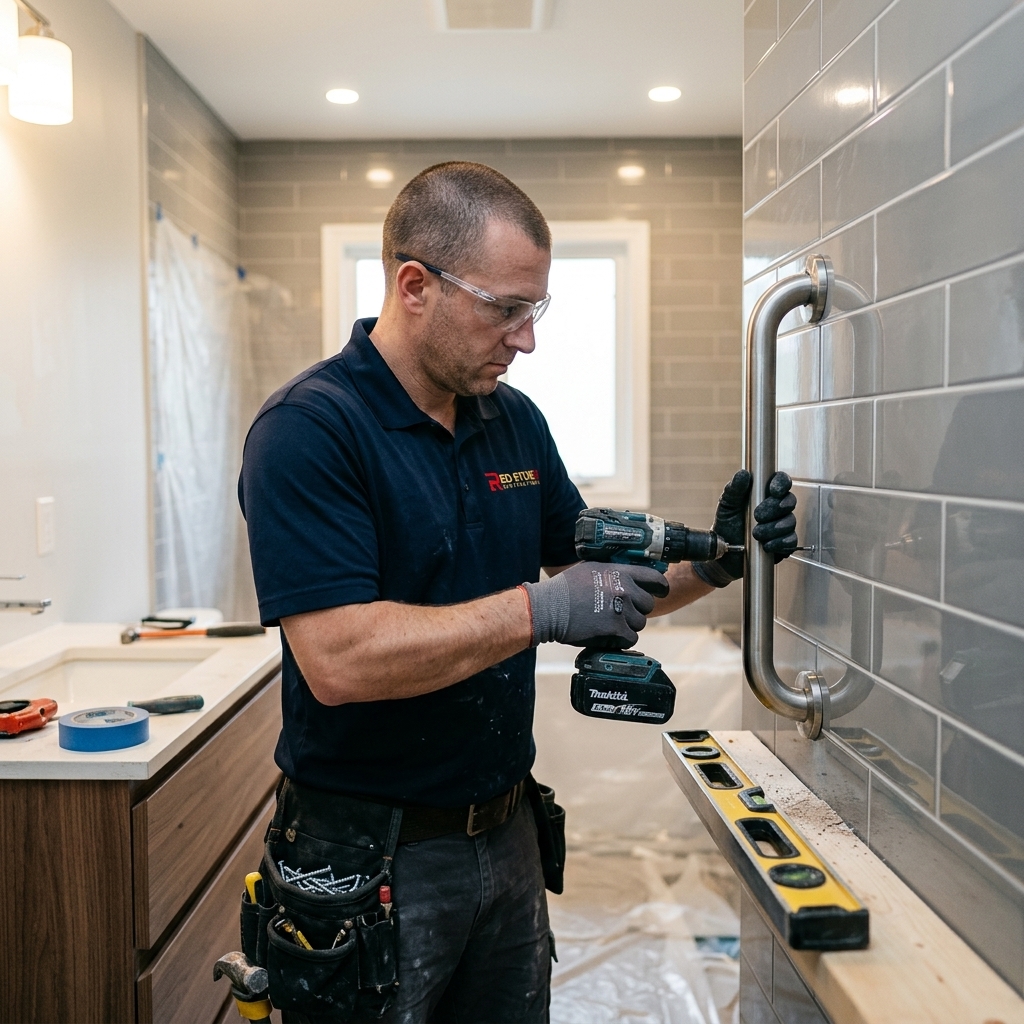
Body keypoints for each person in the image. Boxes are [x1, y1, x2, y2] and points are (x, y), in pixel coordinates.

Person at [239, 161, 798, 1024]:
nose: (526, 338)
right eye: (505, 308)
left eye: (535, 309)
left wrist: (722, 562)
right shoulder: (311, 430)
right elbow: (339, 660)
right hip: (367, 858)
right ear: (414, 285)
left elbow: (598, 586)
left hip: (505, 833)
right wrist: (541, 610)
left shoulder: (513, 420)